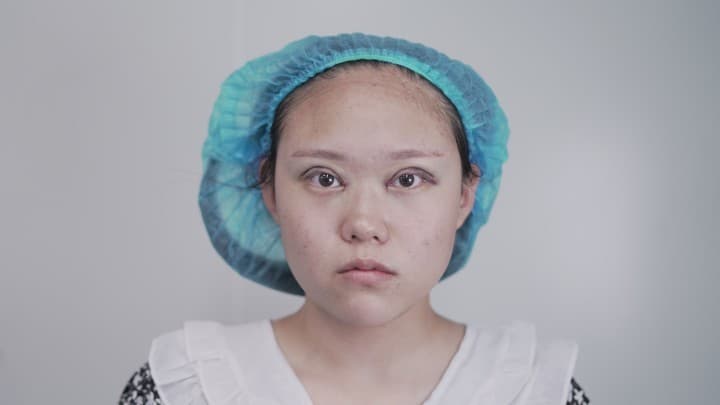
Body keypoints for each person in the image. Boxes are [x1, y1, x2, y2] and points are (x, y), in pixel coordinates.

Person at [119, 33, 590, 405]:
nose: (364, 224)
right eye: (324, 178)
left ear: (465, 194)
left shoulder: (534, 391)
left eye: (408, 179)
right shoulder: (184, 387)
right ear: (270, 190)